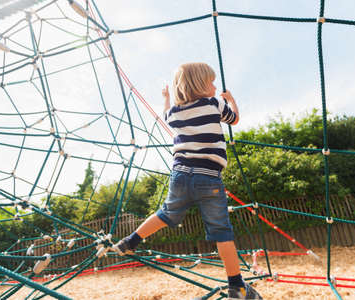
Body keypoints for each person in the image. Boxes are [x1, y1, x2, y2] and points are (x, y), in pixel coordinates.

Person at [112, 62, 263, 300]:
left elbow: (165, 114)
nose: (214, 86)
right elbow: (234, 120)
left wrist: (166, 97)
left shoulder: (175, 113)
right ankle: (237, 286)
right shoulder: (215, 104)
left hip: (180, 176)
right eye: (211, 82)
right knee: (221, 230)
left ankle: (131, 240)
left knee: (166, 214)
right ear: (201, 85)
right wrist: (232, 99)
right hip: (209, 177)